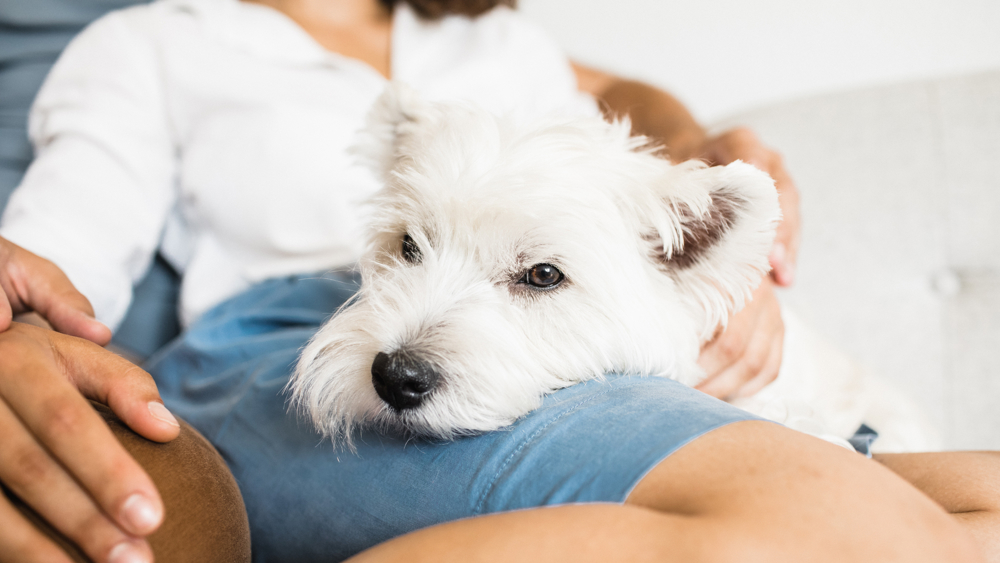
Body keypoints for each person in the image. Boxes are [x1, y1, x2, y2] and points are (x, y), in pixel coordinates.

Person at [0, 0, 996, 562]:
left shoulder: (499, 42)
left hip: (571, 361)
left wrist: (723, 250)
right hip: (287, 332)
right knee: (848, 529)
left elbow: (629, 152)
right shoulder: (159, 41)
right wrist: (26, 316)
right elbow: (57, 251)